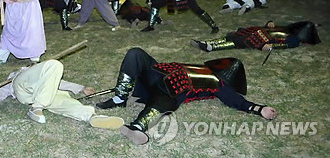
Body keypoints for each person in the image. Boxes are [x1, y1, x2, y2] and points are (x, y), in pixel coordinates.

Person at [96, 47, 278, 145]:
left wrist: (258, 109)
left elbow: (234, 99)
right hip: (154, 75)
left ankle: (136, 128)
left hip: (170, 92)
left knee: (163, 103)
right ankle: (119, 99)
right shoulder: (199, 66)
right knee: (135, 53)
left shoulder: (217, 83)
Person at [0, 59, 124, 129]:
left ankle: (91, 117)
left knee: (65, 100)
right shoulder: (19, 73)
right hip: (24, 89)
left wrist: (81, 88)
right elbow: (6, 88)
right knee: (55, 65)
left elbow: (61, 83)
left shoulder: (48, 76)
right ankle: (37, 108)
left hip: (43, 95)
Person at [190, 20, 320, 52]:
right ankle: (208, 43)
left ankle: (211, 47)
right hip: (260, 32)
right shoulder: (288, 29)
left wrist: (269, 47)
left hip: (263, 40)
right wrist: (269, 23)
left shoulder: (295, 40)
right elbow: (274, 27)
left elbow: (283, 44)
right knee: (235, 35)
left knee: (240, 41)